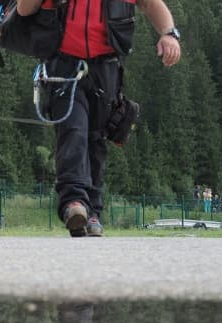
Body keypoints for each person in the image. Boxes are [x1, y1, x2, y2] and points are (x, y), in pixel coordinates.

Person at [17, 0, 181, 237]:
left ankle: (92, 212)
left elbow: (151, 4)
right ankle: (73, 203)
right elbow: (24, 10)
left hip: (107, 69)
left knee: (96, 139)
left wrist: (170, 34)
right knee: (73, 130)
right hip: (64, 65)